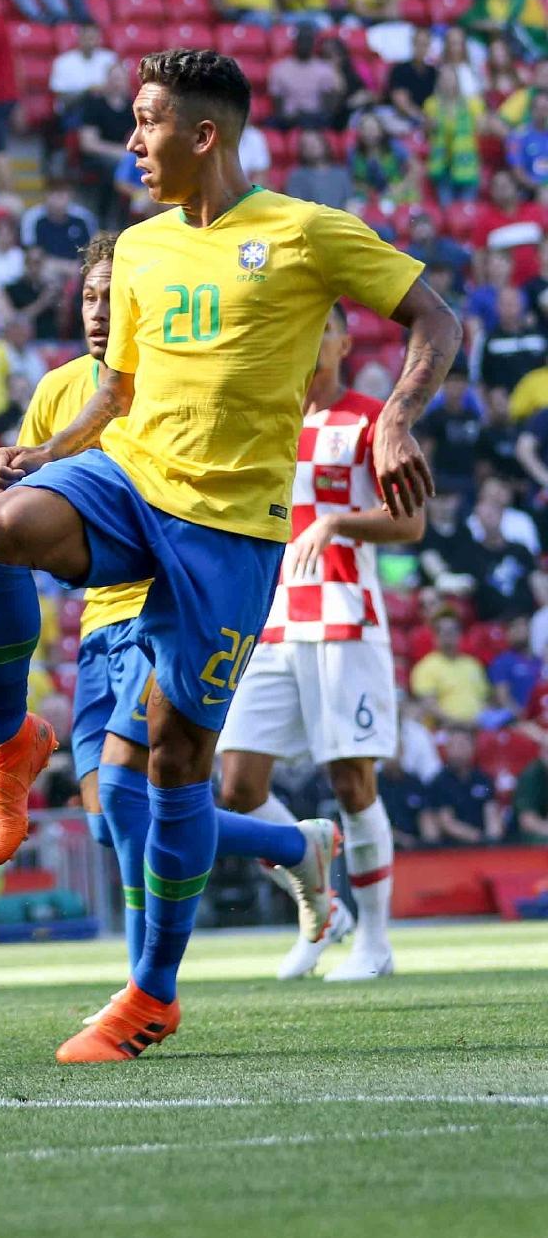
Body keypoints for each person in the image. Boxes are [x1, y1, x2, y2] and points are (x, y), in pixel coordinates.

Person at [0, 49, 458, 1061]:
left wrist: (397, 419)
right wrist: (47, 455)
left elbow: (434, 319)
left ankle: (152, 993)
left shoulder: (304, 233)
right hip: (132, 483)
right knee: (0, 531)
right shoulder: (139, 249)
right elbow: (119, 392)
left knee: (183, 763)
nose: (132, 143)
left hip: (229, 533)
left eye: (147, 124)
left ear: (204, 135)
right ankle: (11, 742)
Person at [0, 232, 332, 969]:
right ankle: (294, 844)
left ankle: (144, 986)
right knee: (107, 818)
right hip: (99, 618)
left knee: (132, 796)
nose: (98, 311)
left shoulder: (174, 384)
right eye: (89, 296)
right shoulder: (58, 388)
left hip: (169, 602)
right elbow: (10, 496)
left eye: (113, 296)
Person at [217, 306, 423, 983]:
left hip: (344, 616)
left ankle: (377, 941)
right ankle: (322, 900)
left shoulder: (372, 418)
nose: (305, 343)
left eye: (319, 331)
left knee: (351, 781)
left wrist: (336, 522)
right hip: (269, 621)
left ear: (339, 343)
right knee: (239, 784)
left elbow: (411, 522)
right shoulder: (264, 421)